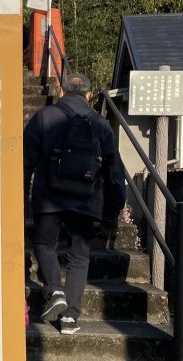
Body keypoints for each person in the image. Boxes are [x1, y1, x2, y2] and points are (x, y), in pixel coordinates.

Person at [24, 70, 126, 335]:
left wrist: (22, 199)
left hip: (49, 198)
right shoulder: (101, 125)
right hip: (87, 200)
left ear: (61, 91)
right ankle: (70, 317)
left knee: (44, 244)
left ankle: (54, 290)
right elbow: (115, 173)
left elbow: (24, 162)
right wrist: (111, 212)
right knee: (79, 257)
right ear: (89, 95)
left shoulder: (44, 118)